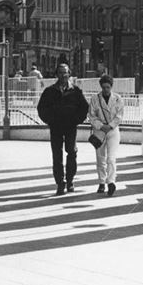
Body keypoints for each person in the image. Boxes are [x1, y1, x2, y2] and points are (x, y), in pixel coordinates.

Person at [36, 63, 89, 195]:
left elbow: (84, 108)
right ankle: (60, 182)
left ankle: (70, 180)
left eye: (65, 73)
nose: (63, 75)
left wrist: (76, 120)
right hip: (56, 127)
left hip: (70, 126)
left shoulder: (76, 91)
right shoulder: (49, 91)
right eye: (60, 72)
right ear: (56, 75)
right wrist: (50, 120)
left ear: (69, 74)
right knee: (56, 155)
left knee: (71, 152)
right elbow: (41, 109)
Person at [88, 74, 124, 196]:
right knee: (100, 158)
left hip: (113, 130)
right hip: (99, 130)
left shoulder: (118, 99)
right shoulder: (95, 99)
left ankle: (111, 182)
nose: (106, 90)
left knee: (111, 158)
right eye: (103, 87)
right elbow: (92, 116)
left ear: (111, 87)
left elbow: (119, 116)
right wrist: (101, 126)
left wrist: (110, 125)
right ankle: (101, 181)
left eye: (108, 87)